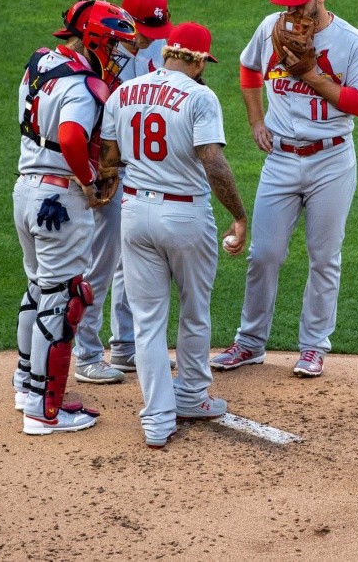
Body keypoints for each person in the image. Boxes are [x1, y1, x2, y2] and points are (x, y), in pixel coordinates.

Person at [211, 0, 358, 377]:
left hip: (331, 159)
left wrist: (313, 76)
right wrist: (255, 119)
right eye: (287, 2)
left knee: (324, 257)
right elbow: (248, 70)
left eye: (300, 2)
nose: (293, 12)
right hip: (281, 158)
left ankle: (314, 346)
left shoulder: (351, 42)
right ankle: (249, 343)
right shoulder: (271, 27)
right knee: (264, 254)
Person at [100, 22, 249, 448]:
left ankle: (156, 420)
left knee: (147, 322)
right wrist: (239, 216)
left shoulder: (124, 92)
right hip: (184, 214)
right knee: (195, 308)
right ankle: (190, 396)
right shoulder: (200, 96)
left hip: (133, 212)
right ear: (199, 59)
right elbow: (213, 164)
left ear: (168, 53)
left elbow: (109, 157)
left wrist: (118, 179)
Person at [11, 0, 137, 434]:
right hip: (60, 201)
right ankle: (45, 410)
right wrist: (87, 179)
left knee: (39, 289)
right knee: (65, 300)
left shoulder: (41, 63)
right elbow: (70, 136)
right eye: (116, 44)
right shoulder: (85, 87)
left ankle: (27, 384)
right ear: (95, 40)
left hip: (25, 190)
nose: (120, 54)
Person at [70, 0, 176, 383]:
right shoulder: (108, 54)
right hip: (112, 167)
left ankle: (127, 347)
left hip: (146, 169)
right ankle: (86, 354)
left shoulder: (160, 48)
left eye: (158, 28)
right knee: (102, 261)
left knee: (134, 260)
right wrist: (105, 169)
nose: (152, 37)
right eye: (146, 29)